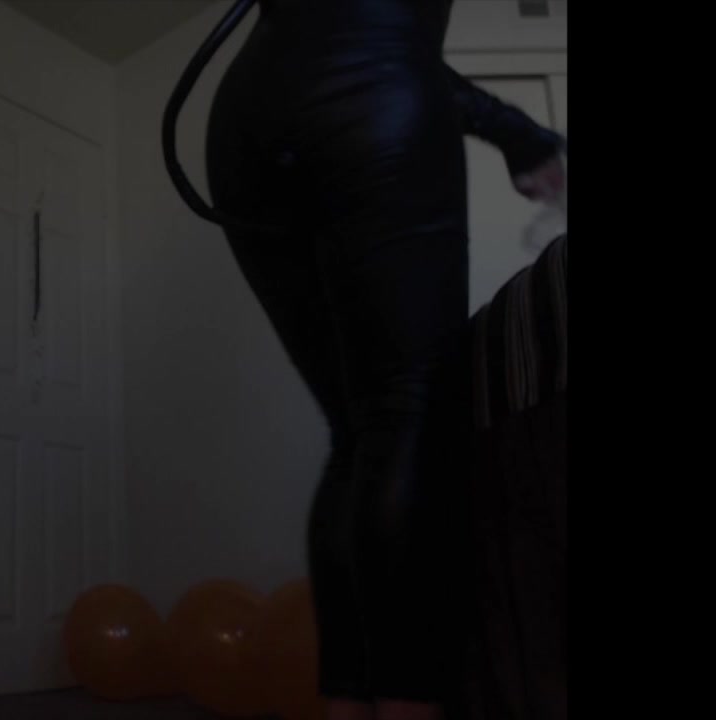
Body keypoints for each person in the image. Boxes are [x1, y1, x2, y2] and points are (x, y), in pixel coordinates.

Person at [176, 1, 565, 718]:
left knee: (355, 433)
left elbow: (330, 29)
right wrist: (515, 131)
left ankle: (349, 710)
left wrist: (512, 130)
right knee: (405, 411)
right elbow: (370, 33)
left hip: (245, 116)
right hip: (373, 85)